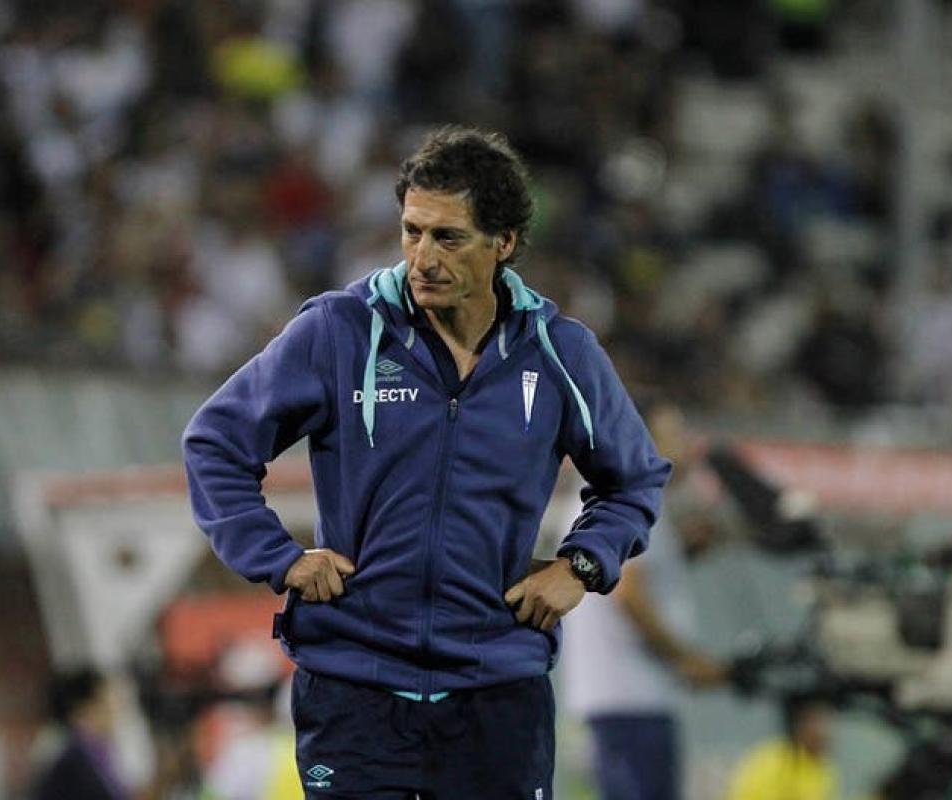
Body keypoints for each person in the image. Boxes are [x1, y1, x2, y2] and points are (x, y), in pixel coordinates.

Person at [182, 126, 672, 799]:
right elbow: (215, 442)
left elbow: (635, 478)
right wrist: (279, 557)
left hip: (497, 693)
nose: (423, 257)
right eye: (412, 232)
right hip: (354, 689)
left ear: (504, 242)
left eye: (449, 238)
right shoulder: (339, 331)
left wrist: (581, 565)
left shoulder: (562, 353)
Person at [562, 401, 728, 800]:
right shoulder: (627, 497)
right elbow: (628, 594)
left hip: (627, 699)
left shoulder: (622, 494)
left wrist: (684, 551)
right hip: (630, 698)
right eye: (674, 433)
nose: (685, 444)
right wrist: (684, 658)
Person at [32, 668, 127, 800]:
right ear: (86, 708)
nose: (116, 710)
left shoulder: (99, 753)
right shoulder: (71, 763)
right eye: (107, 702)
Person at [726, 692, 838, 800]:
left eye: (827, 725)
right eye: (816, 724)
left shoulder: (824, 769)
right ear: (799, 727)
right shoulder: (772, 761)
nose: (824, 733)